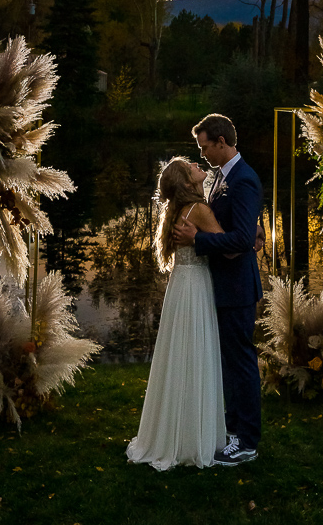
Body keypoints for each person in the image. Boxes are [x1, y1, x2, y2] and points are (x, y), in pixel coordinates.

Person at [172, 112, 263, 467]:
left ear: (222, 143)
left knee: (241, 364)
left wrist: (199, 239)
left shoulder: (242, 179)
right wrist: (257, 228)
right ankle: (232, 430)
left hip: (237, 286)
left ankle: (247, 441)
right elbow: (243, 224)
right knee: (229, 363)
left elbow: (239, 239)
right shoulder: (221, 178)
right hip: (222, 284)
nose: (203, 153)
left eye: (204, 146)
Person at [126, 157, 226, 471]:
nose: (199, 164)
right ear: (186, 182)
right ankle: (193, 438)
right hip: (195, 286)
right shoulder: (199, 211)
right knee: (196, 354)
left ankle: (171, 432)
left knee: (179, 355)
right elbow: (227, 244)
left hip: (180, 286)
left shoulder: (178, 211)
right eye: (191, 166)